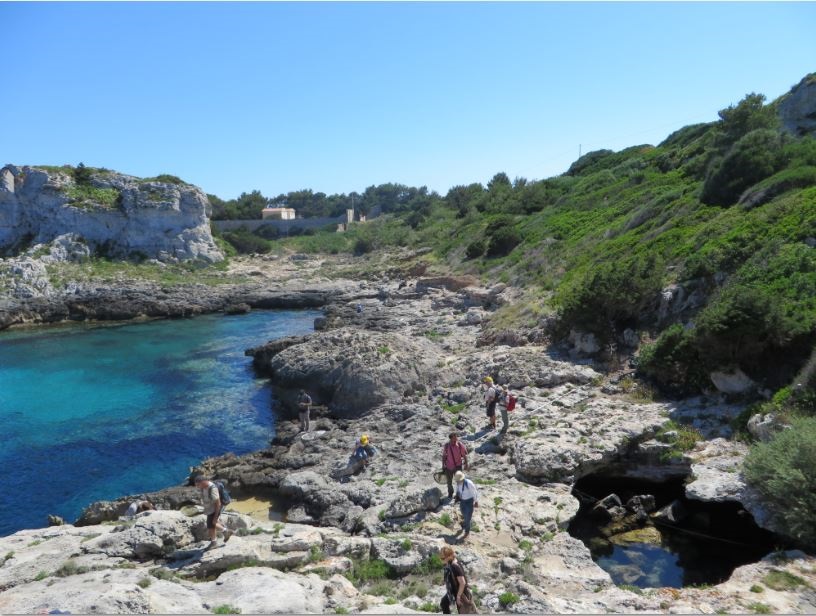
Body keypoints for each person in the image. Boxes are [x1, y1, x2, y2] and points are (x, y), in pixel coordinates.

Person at [193, 475, 232, 548]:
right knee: (212, 524)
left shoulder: (213, 488)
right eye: (196, 485)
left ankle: (215, 542)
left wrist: (216, 516)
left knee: (211, 524)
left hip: (216, 508)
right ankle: (225, 532)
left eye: (198, 485)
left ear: (203, 482)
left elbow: (218, 503)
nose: (197, 487)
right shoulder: (203, 487)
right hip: (211, 508)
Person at [439, 546, 477, 614]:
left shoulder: (455, 566)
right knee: (444, 603)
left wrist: (458, 597)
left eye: (443, 558)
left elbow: (462, 583)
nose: (441, 560)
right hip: (453, 591)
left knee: (466, 611)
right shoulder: (451, 562)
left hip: (461, 592)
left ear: (449, 556)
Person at [442, 432, 468, 500]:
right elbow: (444, 456)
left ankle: (459, 495)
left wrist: (466, 463)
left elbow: (464, 455)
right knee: (449, 482)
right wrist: (443, 465)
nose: (456, 438)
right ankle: (450, 493)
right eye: (455, 437)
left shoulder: (459, 444)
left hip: (458, 465)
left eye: (456, 437)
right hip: (449, 466)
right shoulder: (446, 446)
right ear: (451, 438)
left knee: (459, 481)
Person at [453, 470, 479, 541]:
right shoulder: (458, 483)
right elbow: (457, 490)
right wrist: (456, 496)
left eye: (459, 480)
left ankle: (467, 531)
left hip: (469, 501)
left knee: (468, 517)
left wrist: (476, 501)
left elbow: (474, 492)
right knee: (463, 512)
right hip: (462, 501)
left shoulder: (469, 483)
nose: (457, 482)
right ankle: (467, 522)